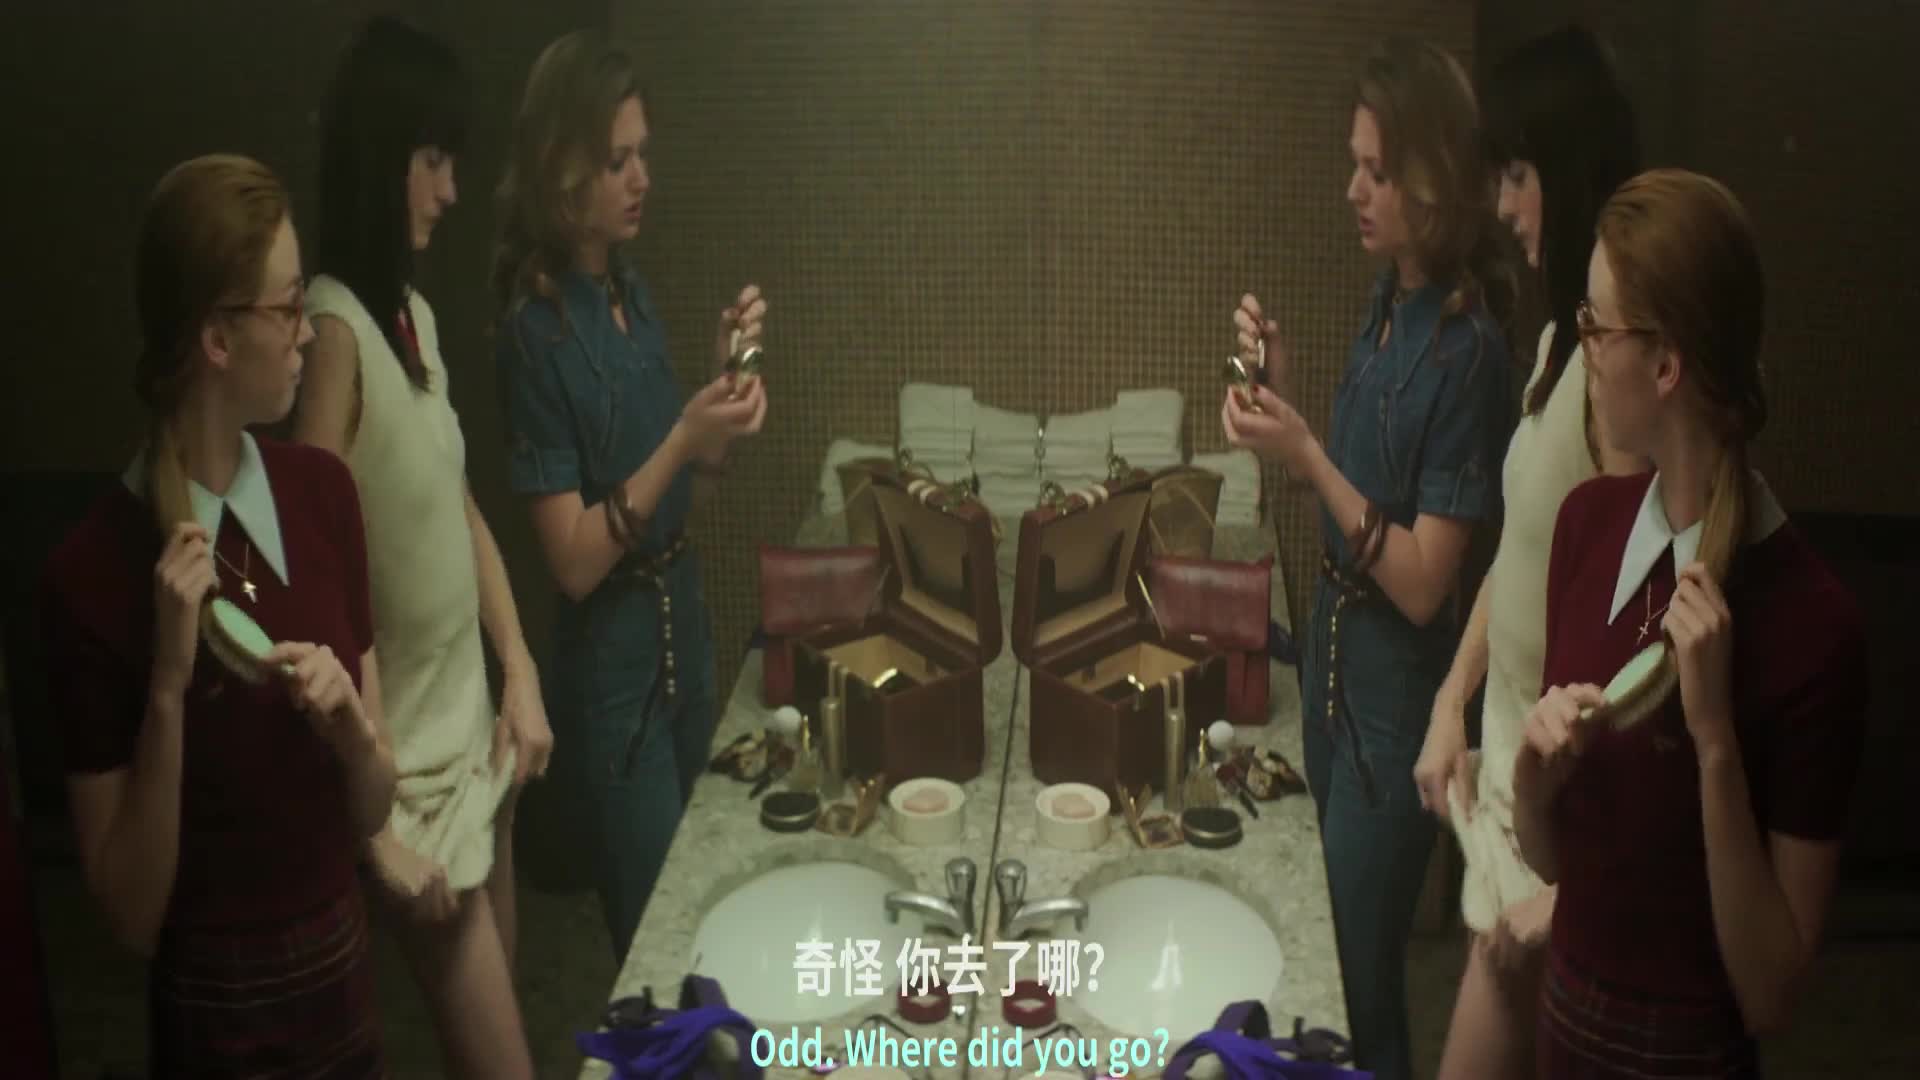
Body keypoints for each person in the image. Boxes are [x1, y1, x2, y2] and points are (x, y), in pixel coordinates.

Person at [38, 153, 397, 1076]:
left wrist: (354, 737)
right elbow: (131, 917)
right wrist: (168, 686)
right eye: (289, 308)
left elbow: (373, 809)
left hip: (342, 978)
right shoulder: (92, 573)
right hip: (215, 1017)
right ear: (217, 339)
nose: (309, 333)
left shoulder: (323, 497)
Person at [1512, 168, 1867, 1077]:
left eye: (1597, 326)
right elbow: (1556, 866)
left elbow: (1772, 995)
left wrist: (1714, 743)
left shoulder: (1813, 628)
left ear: (1665, 365)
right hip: (1564, 1030)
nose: (1584, 348)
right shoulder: (1586, 528)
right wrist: (1532, 782)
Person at [1221, 38, 1518, 1080]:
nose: (1353, 190)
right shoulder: (1389, 303)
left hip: (1397, 711)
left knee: (1358, 980)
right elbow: (1357, 487)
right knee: (1328, 957)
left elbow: (1429, 581)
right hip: (1334, 674)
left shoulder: (1469, 351)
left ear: (1434, 179)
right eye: (1354, 165)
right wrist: (1286, 398)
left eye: (1377, 172)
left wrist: (1305, 451)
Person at [295, 16, 543, 1076]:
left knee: (503, 1034)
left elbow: (458, 506)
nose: (450, 190)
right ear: (381, 157)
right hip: (417, 788)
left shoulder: (409, 317)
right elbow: (310, 583)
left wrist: (520, 669)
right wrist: (373, 833)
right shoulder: (332, 332)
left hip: (474, 741)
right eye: (432, 160)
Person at [492, 31, 769, 960]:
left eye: (643, 154)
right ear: (561, 168)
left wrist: (720, 408)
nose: (641, 178)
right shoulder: (535, 334)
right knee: (657, 942)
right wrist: (684, 436)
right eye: (618, 161)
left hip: (683, 631)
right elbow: (573, 562)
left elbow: (680, 498)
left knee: (705, 902)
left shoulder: (630, 294)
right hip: (611, 668)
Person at [1412, 25, 1646, 1078]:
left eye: (1517, 175)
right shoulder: (1559, 349)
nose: (1503, 206)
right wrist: (1451, 700)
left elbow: (1655, 642)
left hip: (1566, 836)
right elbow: (1520, 554)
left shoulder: (1622, 378)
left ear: (1570, 165)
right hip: (1504, 802)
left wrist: (1576, 890)